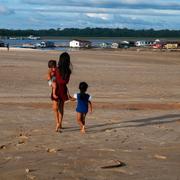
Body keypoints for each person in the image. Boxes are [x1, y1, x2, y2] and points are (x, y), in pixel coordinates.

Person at [52, 52, 72, 132]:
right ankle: (60, 123)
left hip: (56, 88)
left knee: (55, 108)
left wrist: (53, 82)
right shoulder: (68, 71)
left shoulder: (57, 69)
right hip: (63, 89)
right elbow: (66, 82)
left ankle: (58, 122)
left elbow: (53, 78)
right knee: (61, 107)